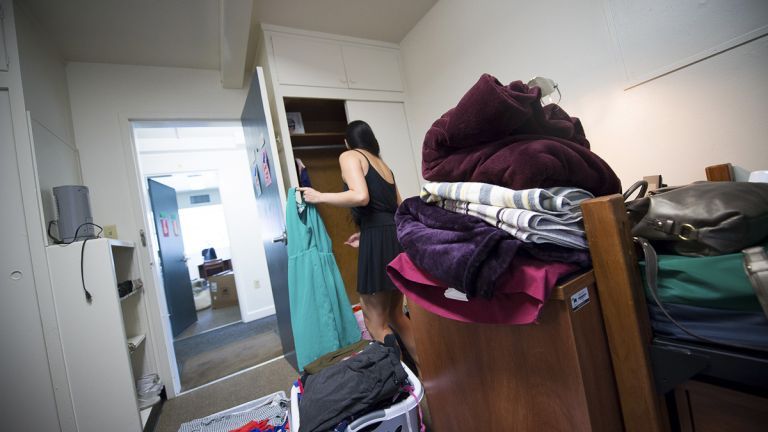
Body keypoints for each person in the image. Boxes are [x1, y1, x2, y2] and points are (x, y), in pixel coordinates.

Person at [298, 120, 418, 365]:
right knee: (396, 314)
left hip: (379, 239)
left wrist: (319, 196)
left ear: (347, 142)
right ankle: (430, 374)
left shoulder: (350, 155)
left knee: (374, 322)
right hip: (393, 236)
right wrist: (367, 233)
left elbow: (361, 196)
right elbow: (397, 208)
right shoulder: (383, 165)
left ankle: (402, 382)